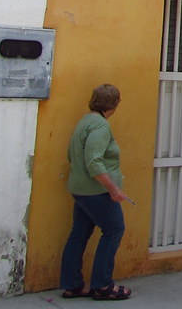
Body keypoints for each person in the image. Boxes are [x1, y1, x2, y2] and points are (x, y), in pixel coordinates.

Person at [59, 84, 132, 301]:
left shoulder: (85, 122)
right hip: (96, 191)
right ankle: (102, 285)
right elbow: (94, 161)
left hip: (79, 189)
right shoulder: (100, 126)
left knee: (79, 234)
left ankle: (72, 284)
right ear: (115, 103)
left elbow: (71, 155)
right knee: (114, 230)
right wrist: (114, 189)